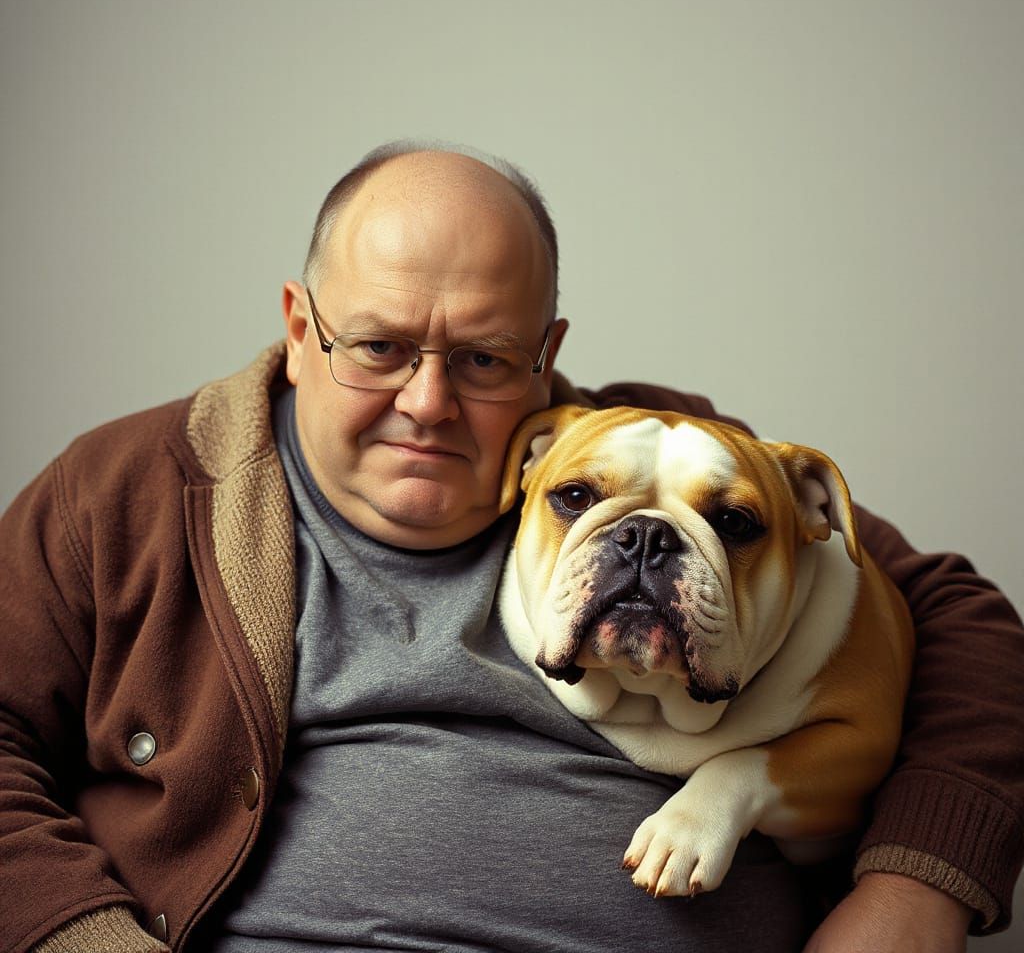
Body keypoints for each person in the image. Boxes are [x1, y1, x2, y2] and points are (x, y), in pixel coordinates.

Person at [0, 142, 1021, 953]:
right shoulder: (132, 490)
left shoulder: (646, 454)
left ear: (548, 358)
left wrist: (918, 884)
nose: (429, 402)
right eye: (379, 346)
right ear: (300, 328)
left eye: (484, 356)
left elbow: (957, 618)